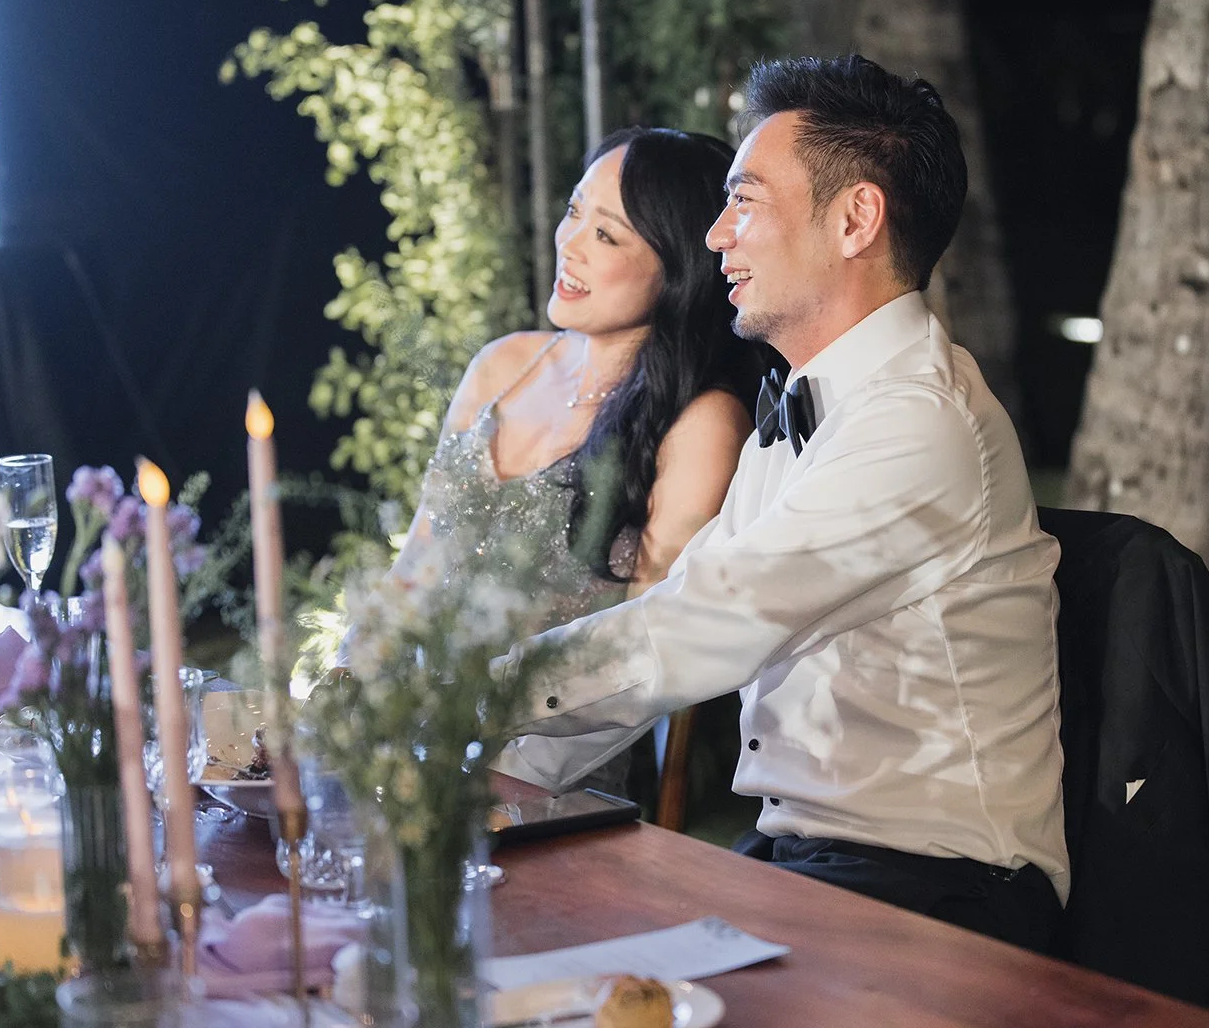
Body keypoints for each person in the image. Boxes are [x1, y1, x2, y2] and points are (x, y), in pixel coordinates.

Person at [493, 54, 1067, 954]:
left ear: (855, 220)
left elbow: (697, 630)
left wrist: (461, 697)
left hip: (945, 898)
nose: (717, 236)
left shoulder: (916, 422)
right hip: (803, 866)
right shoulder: (803, 406)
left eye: (746, 201)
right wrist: (481, 774)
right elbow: (666, 637)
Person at [391, 126, 767, 797]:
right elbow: (413, 571)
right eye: (574, 213)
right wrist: (346, 698)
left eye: (608, 235)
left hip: (545, 787)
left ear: (677, 266)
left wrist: (473, 770)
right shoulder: (503, 366)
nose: (570, 244)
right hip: (409, 752)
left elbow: (651, 649)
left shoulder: (701, 422)